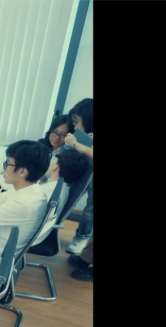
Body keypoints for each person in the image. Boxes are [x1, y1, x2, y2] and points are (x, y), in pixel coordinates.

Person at [63, 98, 94, 254]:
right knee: (68, 198)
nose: (75, 126)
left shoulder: (78, 140)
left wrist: (75, 143)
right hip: (84, 171)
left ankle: (81, 237)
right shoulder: (83, 135)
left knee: (90, 211)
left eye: (77, 122)